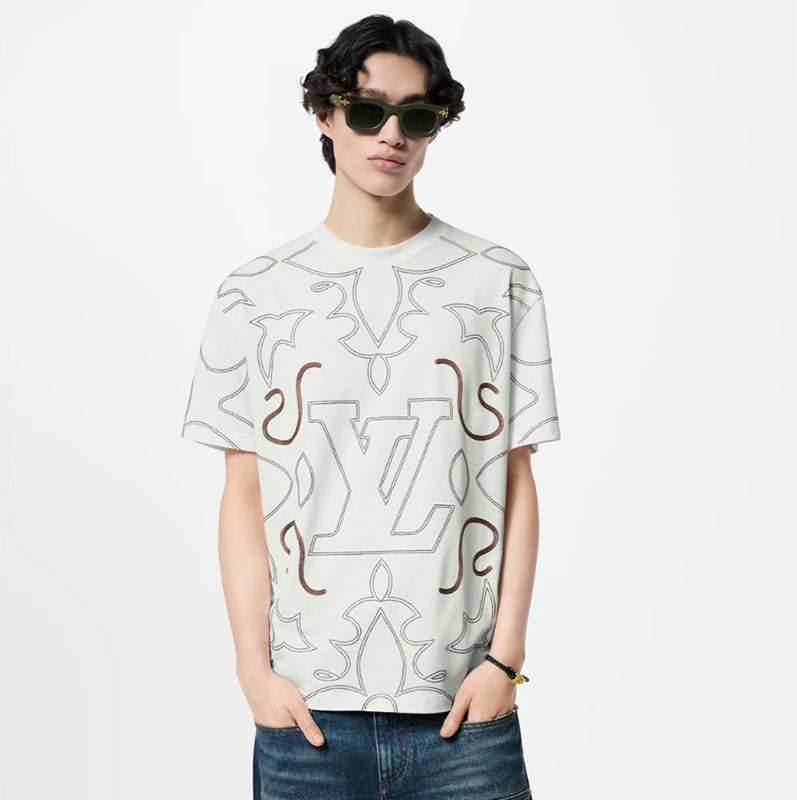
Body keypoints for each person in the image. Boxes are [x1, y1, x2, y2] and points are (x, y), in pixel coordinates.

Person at [180, 14, 561, 799]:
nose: (392, 134)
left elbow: (515, 479)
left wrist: (506, 661)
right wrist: (254, 671)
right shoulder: (255, 295)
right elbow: (244, 492)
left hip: (465, 714)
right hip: (307, 717)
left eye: (416, 116)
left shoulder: (498, 280)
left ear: (435, 128)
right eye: (367, 110)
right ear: (324, 115)